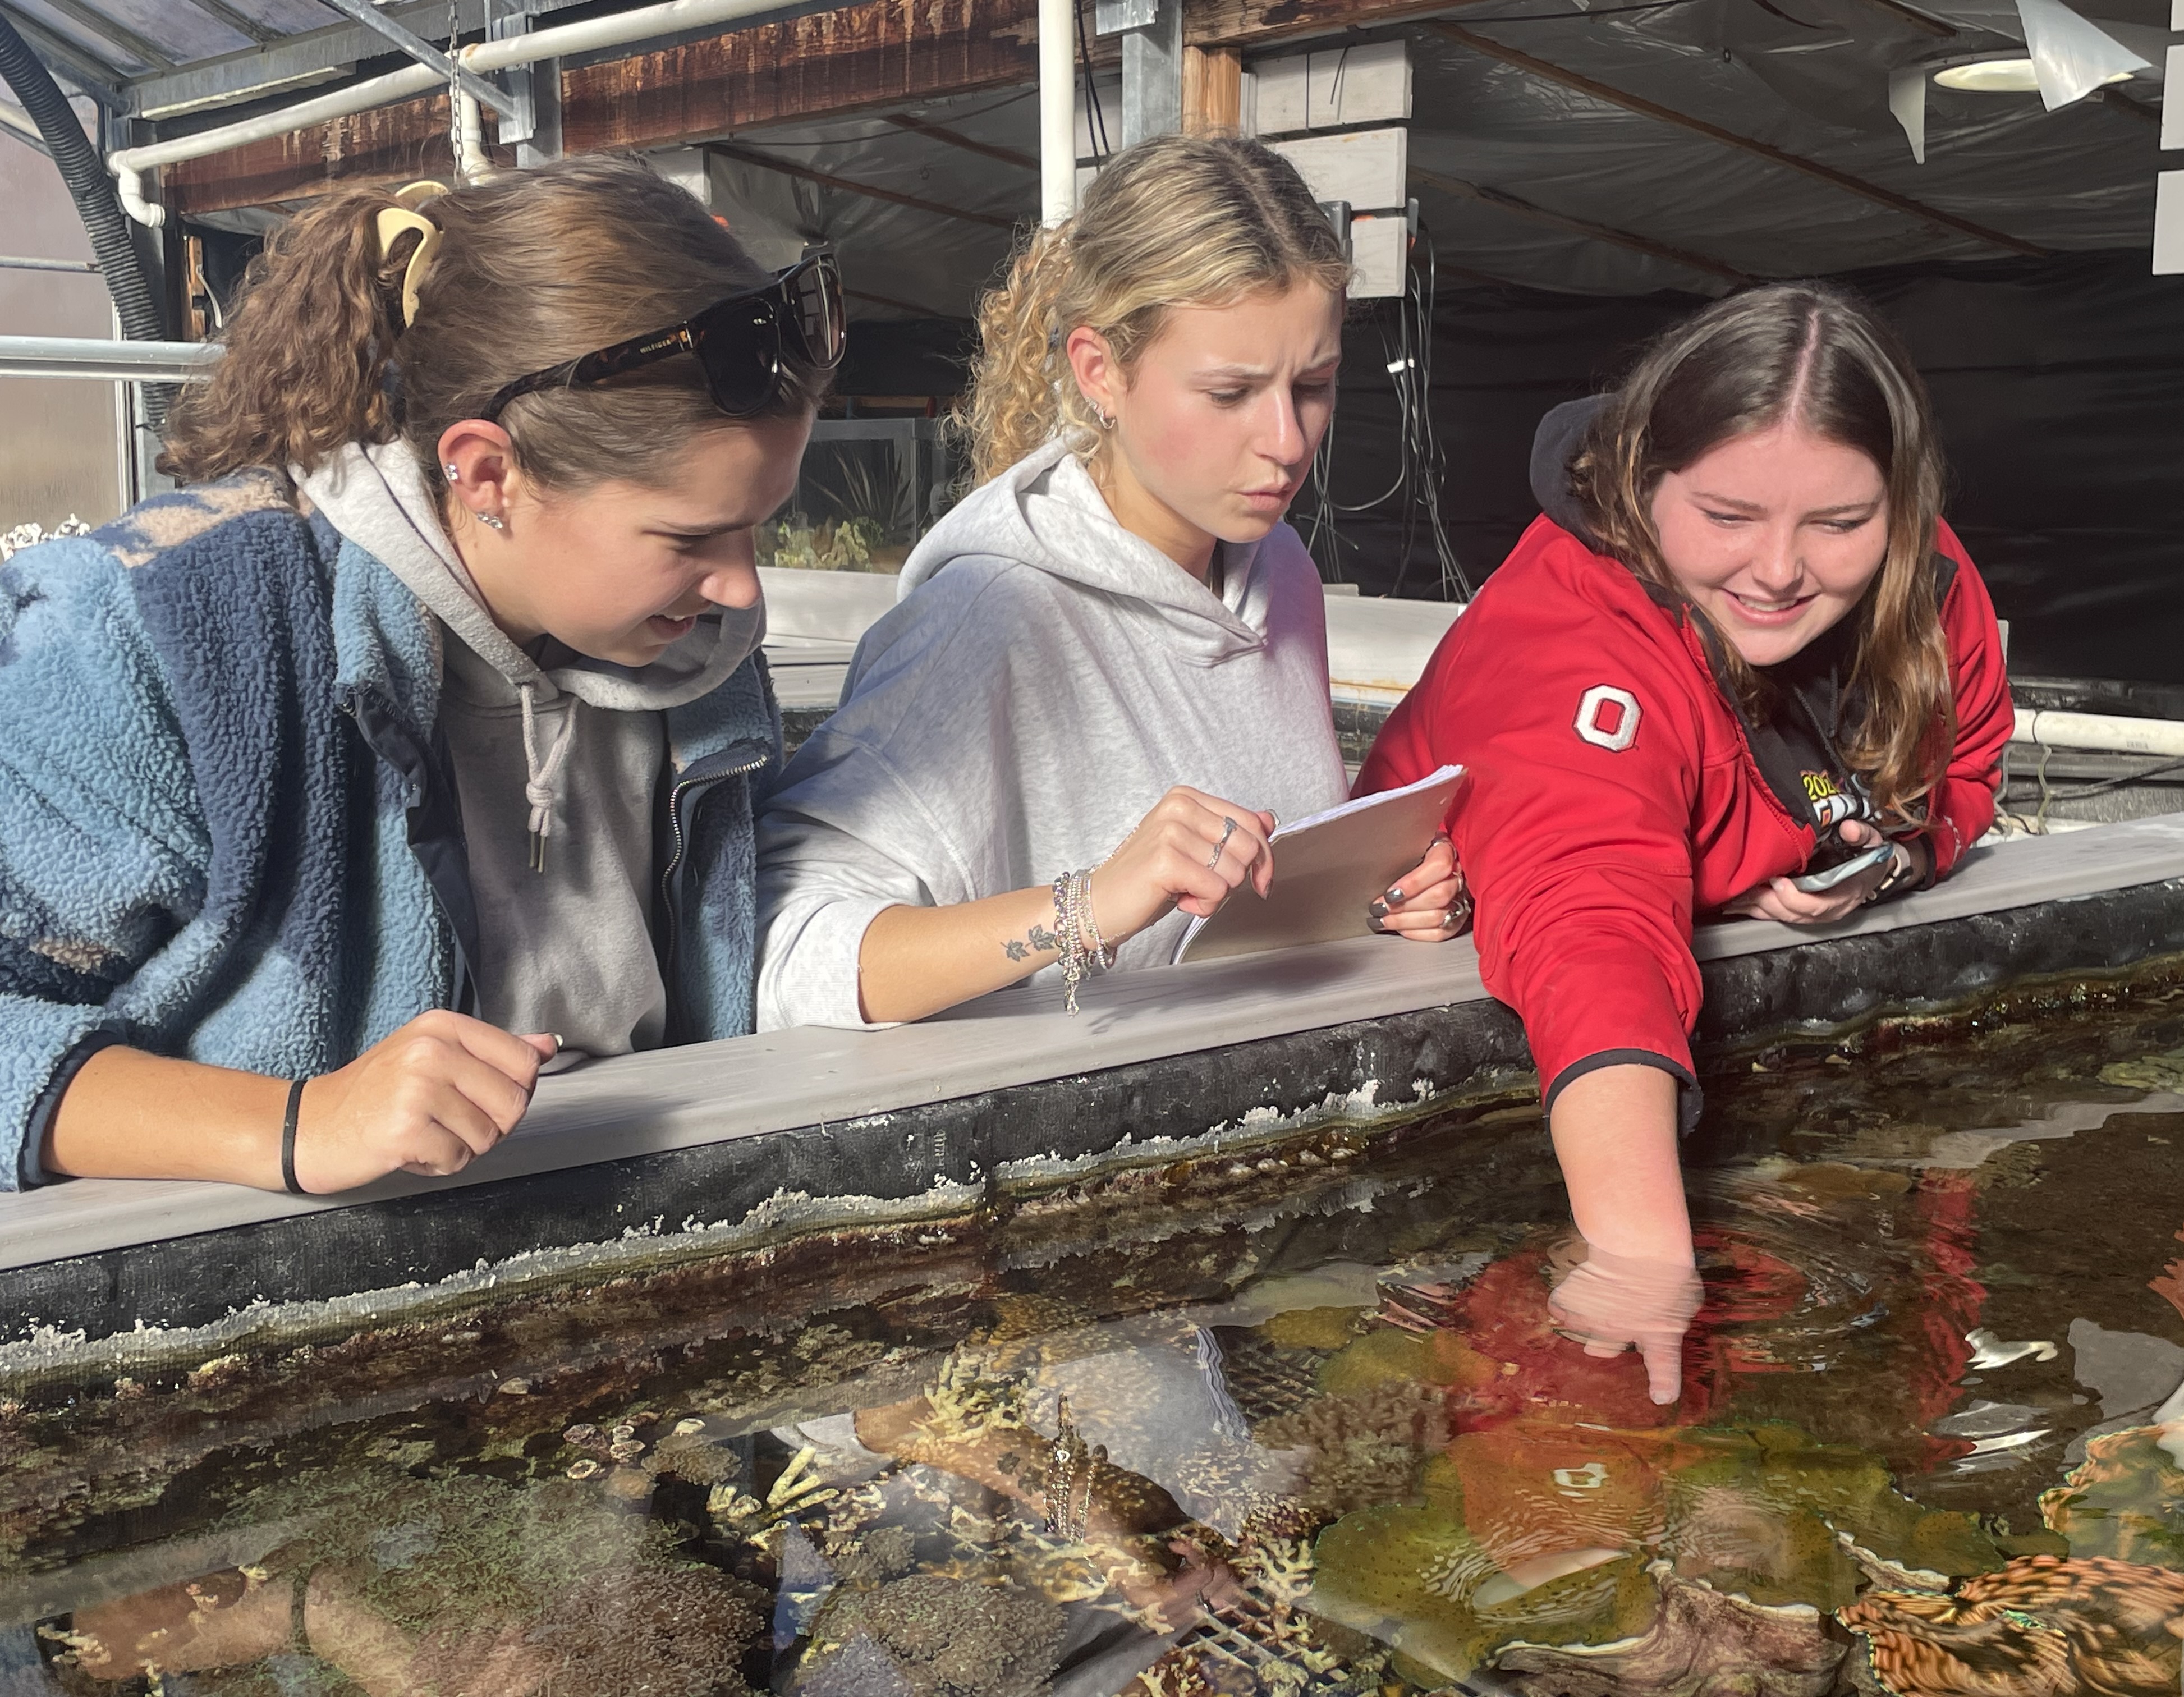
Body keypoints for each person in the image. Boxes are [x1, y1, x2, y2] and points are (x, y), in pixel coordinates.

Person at [0, 154, 841, 1194]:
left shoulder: (691, 648)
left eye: (759, 526)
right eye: (692, 536)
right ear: (488, 473)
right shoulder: (162, 636)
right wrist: (300, 1122)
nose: (742, 591)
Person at [1355, 283, 2013, 1402]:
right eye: (1728, 516)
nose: (1779, 569)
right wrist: (1639, 1261)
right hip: (1513, 1017)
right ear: (1642, 485)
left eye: (1840, 526)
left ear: (1896, 506)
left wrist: (1890, 858)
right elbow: (1586, 921)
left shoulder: (1919, 567)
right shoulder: (1572, 631)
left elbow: (1967, 763)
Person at [755, 133, 1464, 1031]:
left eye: (1314, 384)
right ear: (1101, 373)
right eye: (1229, 392)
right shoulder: (985, 618)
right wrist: (1084, 907)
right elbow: (783, 953)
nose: (1287, 442)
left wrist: (1381, 898)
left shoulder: (1281, 568)